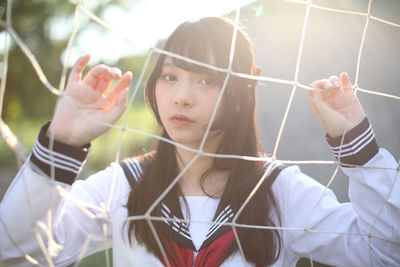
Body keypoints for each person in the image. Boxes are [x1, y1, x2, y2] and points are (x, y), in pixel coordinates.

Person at [0, 16, 399, 267]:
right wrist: (62, 144)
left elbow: (385, 253)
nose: (182, 96)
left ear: (242, 94)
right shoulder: (124, 185)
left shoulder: (279, 190)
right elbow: (15, 251)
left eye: (206, 79)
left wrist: (357, 146)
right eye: (170, 76)